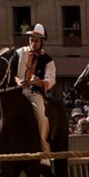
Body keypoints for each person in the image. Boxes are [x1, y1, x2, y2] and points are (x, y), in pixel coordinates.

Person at [14, 24, 57, 163]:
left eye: (36, 40)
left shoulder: (48, 59)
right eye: (31, 39)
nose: (33, 42)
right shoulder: (19, 53)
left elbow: (51, 79)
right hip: (15, 91)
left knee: (41, 115)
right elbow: (11, 72)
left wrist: (40, 82)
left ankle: (45, 150)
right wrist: (18, 81)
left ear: (42, 42)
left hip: (33, 93)